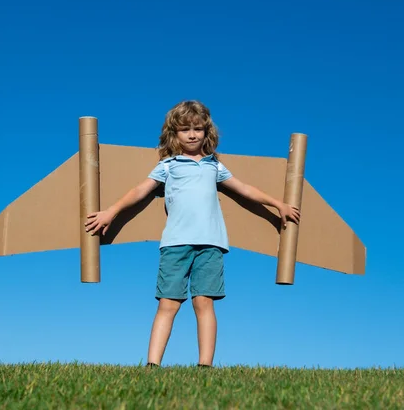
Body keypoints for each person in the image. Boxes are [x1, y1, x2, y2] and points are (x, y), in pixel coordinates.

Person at [84, 100, 300, 367]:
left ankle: (205, 366)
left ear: (206, 132)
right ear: (173, 134)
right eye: (184, 129)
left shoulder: (214, 166)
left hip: (211, 243)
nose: (192, 134)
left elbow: (244, 189)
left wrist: (278, 204)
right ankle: (152, 365)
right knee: (168, 304)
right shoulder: (168, 165)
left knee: (204, 302)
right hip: (175, 243)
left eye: (197, 128)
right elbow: (140, 191)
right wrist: (111, 211)